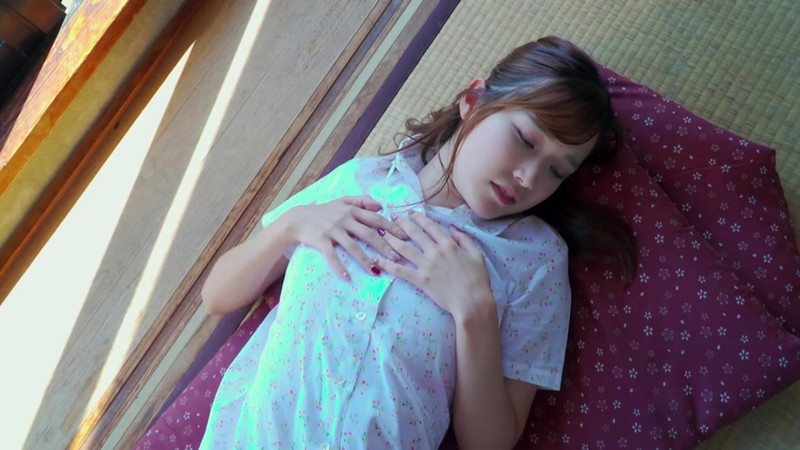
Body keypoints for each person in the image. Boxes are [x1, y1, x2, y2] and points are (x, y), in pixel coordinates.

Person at [199, 36, 636, 449]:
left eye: (557, 170)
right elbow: (217, 295)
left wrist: (475, 311)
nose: (529, 177)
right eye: (525, 140)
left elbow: (489, 443)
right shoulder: (359, 181)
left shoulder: (536, 260)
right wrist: (291, 224)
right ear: (473, 101)